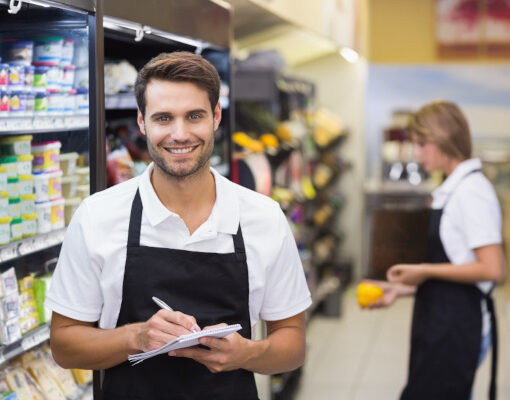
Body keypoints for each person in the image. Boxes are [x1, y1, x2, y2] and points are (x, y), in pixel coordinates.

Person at [46, 52, 312, 399]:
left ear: (216, 116)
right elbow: (64, 345)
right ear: (142, 122)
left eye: (195, 116)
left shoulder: (263, 217)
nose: (180, 133)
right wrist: (136, 337)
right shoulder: (98, 216)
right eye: (163, 118)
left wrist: (247, 353)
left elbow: (292, 344)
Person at [368, 100, 505, 400]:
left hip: (457, 327)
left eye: (421, 144)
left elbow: (493, 268)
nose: (417, 154)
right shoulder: (453, 188)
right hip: (441, 317)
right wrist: (401, 290)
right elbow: (459, 266)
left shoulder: (472, 192)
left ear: (444, 138)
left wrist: (423, 270)